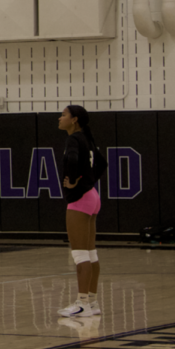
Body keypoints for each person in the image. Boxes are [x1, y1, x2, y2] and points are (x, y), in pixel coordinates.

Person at [57, 105, 104, 318]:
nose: (60, 118)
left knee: (79, 254)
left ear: (74, 119)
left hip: (80, 199)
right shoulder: (87, 138)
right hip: (92, 196)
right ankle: (92, 302)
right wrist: (88, 181)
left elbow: (74, 160)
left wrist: (75, 181)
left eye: (64, 114)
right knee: (91, 253)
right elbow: (102, 163)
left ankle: (82, 303)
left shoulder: (74, 139)